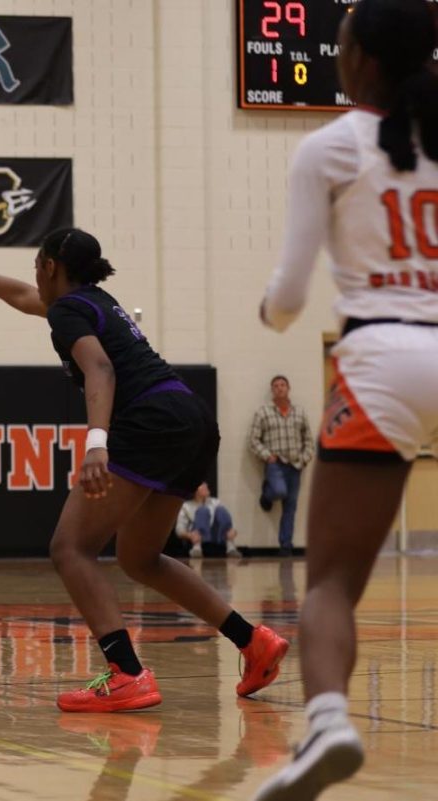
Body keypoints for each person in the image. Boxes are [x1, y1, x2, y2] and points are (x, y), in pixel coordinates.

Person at [0, 224, 288, 712]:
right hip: (191, 417)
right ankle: (254, 641)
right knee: (140, 559)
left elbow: (100, 368)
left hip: (150, 419)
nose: (34, 276)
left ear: (51, 266)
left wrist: (97, 442)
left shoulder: (71, 311)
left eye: (37, 265)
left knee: (70, 548)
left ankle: (128, 674)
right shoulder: (94, 301)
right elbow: (23, 297)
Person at [255, 1, 438, 798]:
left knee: (329, 582)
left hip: (380, 361)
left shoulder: (330, 146)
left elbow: (291, 296)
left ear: (360, 57)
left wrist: (269, 311)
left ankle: (328, 720)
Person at [248, 375, 314, 555]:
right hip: (275, 464)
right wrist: (267, 456)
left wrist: (304, 459)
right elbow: (253, 440)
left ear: (288, 388)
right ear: (272, 390)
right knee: (279, 491)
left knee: (290, 507)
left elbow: (309, 440)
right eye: (276, 385)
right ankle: (267, 496)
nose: (279, 388)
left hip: (295, 465)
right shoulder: (263, 412)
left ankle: (286, 546)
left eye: (283, 385)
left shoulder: (299, 412)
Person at [175, 482, 240, 557]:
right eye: (201, 485)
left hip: (217, 539)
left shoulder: (216, 502)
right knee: (203, 511)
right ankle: (197, 548)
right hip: (197, 540)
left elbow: (226, 520)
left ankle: (230, 547)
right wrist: (190, 535)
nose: (205, 486)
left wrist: (233, 531)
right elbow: (179, 530)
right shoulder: (186, 506)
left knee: (221, 510)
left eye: (205, 484)